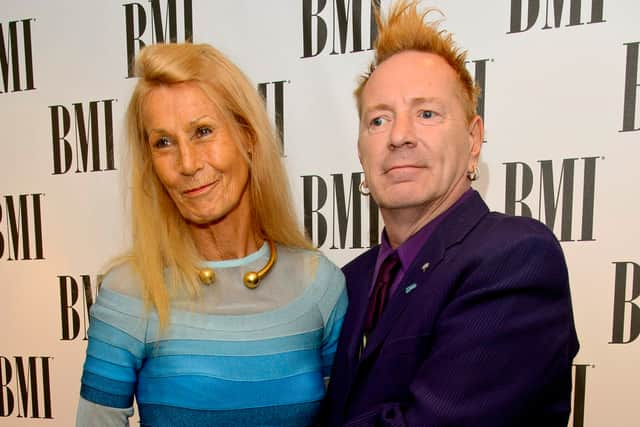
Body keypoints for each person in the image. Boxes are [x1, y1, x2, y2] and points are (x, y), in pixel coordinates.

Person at [322, 1, 580, 426]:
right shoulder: (349, 281)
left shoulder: (515, 258)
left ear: (474, 139)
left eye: (426, 113)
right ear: (361, 150)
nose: (400, 136)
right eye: (379, 120)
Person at [76, 42, 347, 427]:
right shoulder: (131, 293)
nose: (186, 164)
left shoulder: (319, 285)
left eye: (203, 131)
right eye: (164, 143)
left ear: (248, 137)